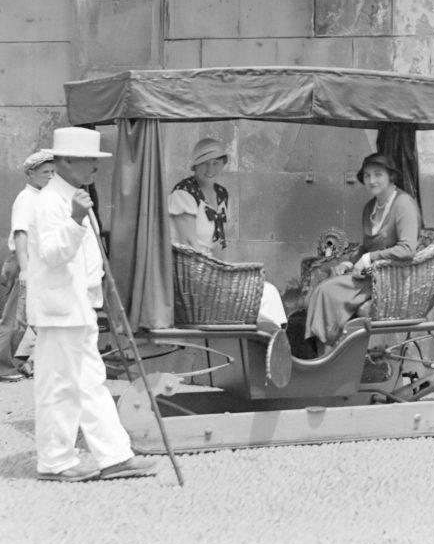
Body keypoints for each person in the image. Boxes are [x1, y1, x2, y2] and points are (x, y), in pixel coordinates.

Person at [28, 127, 157, 481]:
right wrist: (74, 220)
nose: (95, 168)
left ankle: (114, 456)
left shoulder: (75, 196)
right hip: (61, 311)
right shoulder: (52, 201)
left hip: (77, 307)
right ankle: (55, 461)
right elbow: (53, 254)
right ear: (66, 161)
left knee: (88, 382)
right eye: (90, 161)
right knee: (60, 385)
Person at [168, 138, 287, 332]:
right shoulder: (184, 193)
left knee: (268, 291)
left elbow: (220, 244)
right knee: (266, 294)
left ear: (223, 163)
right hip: (189, 276)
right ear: (195, 164)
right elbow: (189, 247)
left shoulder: (221, 194)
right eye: (205, 163)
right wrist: (218, 276)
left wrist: (226, 271)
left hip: (211, 269)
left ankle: (273, 343)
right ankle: (269, 341)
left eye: (216, 162)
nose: (210, 168)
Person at [305, 153, 420, 353]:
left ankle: (327, 353)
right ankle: (321, 352)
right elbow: (366, 246)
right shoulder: (370, 207)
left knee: (327, 292)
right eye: (367, 176)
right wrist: (351, 262)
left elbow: (407, 249)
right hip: (368, 275)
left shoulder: (404, 204)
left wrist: (369, 259)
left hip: (390, 279)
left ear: (391, 177)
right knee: (321, 285)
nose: (372, 180)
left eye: (378, 174)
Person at [0, 150, 55, 382]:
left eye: (54, 172)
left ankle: (21, 362)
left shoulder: (42, 197)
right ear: (31, 173)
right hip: (25, 263)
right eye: (46, 172)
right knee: (15, 319)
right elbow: (20, 232)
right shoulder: (27, 199)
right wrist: (24, 268)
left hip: (37, 264)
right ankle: (3, 367)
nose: (51, 177)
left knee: (31, 317)